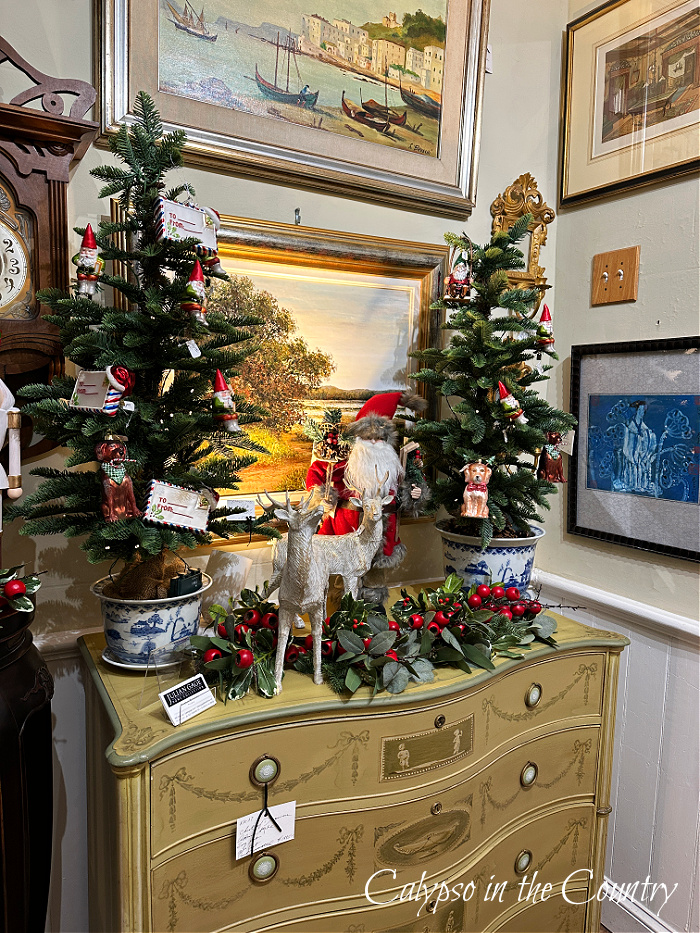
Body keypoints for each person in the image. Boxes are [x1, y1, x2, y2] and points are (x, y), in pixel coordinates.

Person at [305, 391, 429, 600]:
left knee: (375, 574)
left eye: (379, 438)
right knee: (344, 574)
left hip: (382, 531)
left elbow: (410, 488)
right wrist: (323, 495)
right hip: (347, 529)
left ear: (387, 440)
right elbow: (317, 473)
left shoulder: (395, 468)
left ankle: (373, 611)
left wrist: (415, 494)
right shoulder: (345, 465)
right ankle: (342, 610)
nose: (373, 442)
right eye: (368, 437)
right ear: (358, 438)